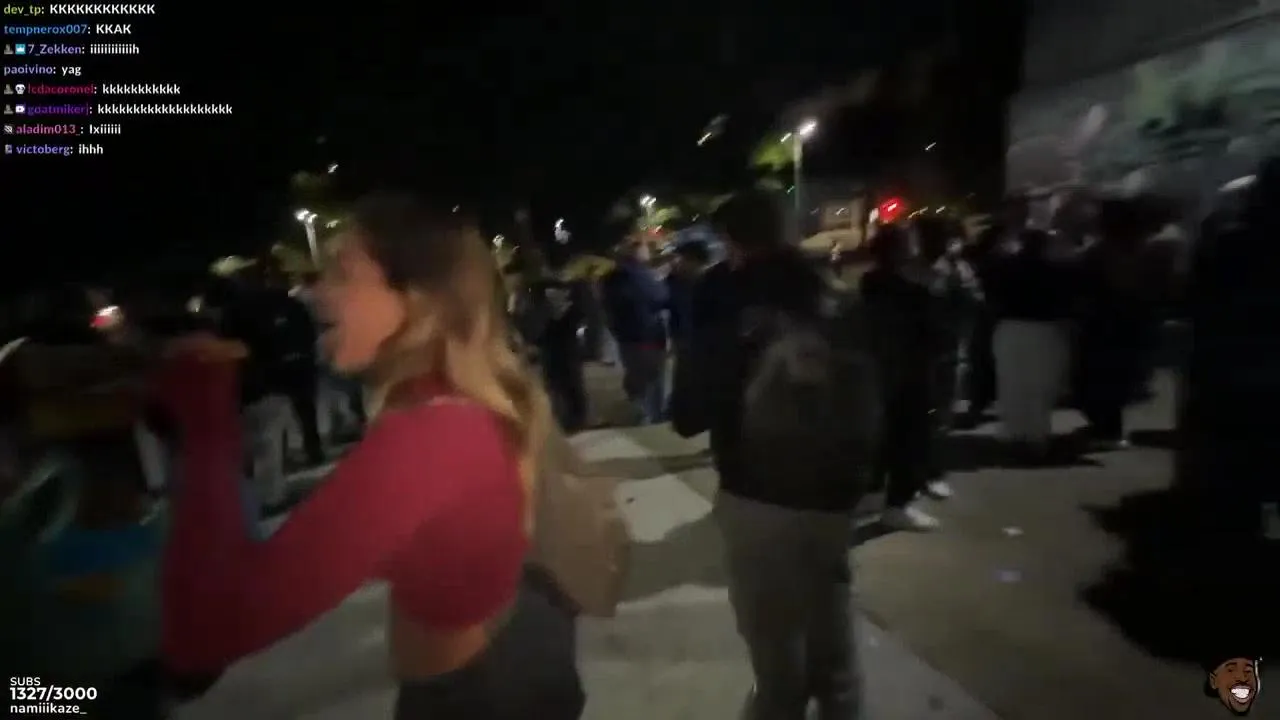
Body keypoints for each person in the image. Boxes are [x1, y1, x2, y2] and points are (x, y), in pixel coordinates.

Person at [154, 194, 585, 720]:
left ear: (417, 300)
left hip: (478, 698)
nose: (316, 292)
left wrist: (205, 429)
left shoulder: (433, 435)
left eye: (342, 274)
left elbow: (204, 633)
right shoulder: (451, 404)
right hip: (509, 665)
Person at [676, 190, 868, 719]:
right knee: (832, 624)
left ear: (731, 240)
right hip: (836, 492)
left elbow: (689, 411)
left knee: (774, 640)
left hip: (757, 488)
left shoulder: (724, 296)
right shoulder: (838, 292)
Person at [861, 224, 947, 531]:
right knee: (909, 439)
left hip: (880, 371)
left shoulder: (870, 282)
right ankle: (897, 505)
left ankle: (872, 493)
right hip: (912, 373)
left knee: (883, 437)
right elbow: (936, 332)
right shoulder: (916, 288)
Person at [986, 228, 1076, 462]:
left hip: (1009, 327)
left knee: (1011, 384)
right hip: (1044, 329)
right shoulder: (1056, 270)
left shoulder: (1004, 267)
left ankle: (1014, 434)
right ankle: (1037, 437)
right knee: (1040, 386)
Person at [913, 215, 982, 494]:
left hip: (945, 350)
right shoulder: (918, 270)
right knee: (925, 416)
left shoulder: (954, 268)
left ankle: (930, 471)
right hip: (925, 352)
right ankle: (923, 472)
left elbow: (974, 301)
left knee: (939, 416)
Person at [601, 239, 669, 424]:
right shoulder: (641, 274)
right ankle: (651, 414)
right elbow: (661, 296)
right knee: (652, 375)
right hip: (647, 334)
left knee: (636, 372)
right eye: (645, 248)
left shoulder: (611, 278)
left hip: (627, 336)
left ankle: (641, 410)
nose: (648, 251)